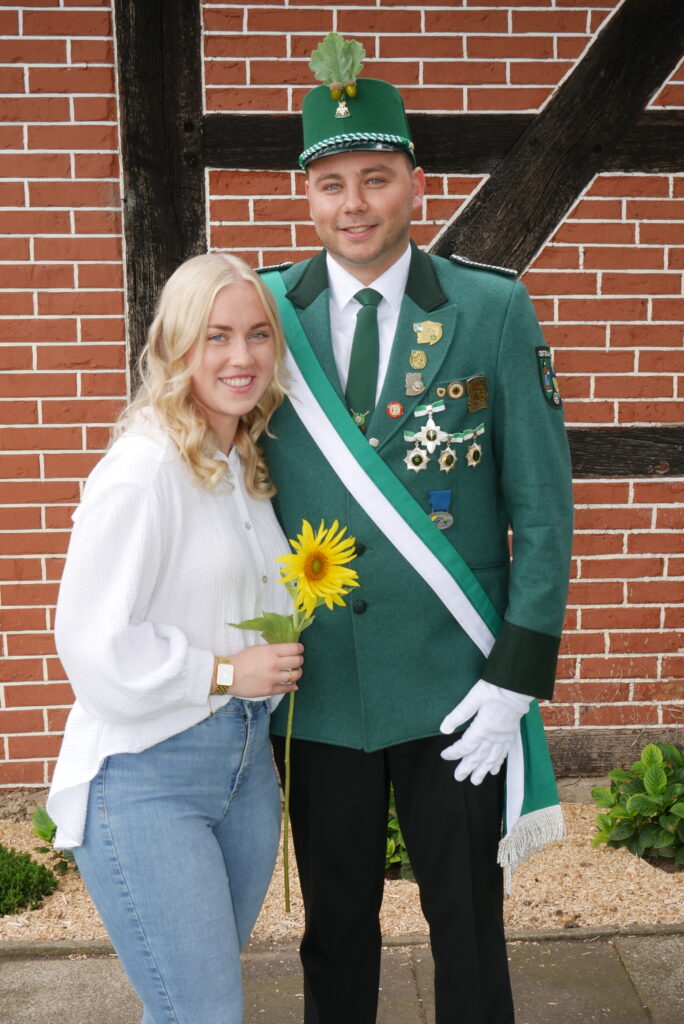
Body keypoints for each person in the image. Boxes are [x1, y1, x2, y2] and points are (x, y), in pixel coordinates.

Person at [261, 35, 574, 1024]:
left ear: (415, 185)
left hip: (457, 684)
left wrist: (515, 677)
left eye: (376, 179)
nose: (353, 205)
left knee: (469, 924)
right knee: (334, 931)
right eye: (332, 184)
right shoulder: (262, 313)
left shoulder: (490, 310)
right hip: (323, 685)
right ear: (308, 196)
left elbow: (544, 511)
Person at [46, 253, 304, 1024]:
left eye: (257, 335)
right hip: (147, 777)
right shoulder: (144, 467)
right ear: (176, 347)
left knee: (185, 1008)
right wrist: (224, 672)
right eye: (216, 336)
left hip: (244, 773)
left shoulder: (239, 462)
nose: (241, 356)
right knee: (204, 1014)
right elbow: (89, 643)